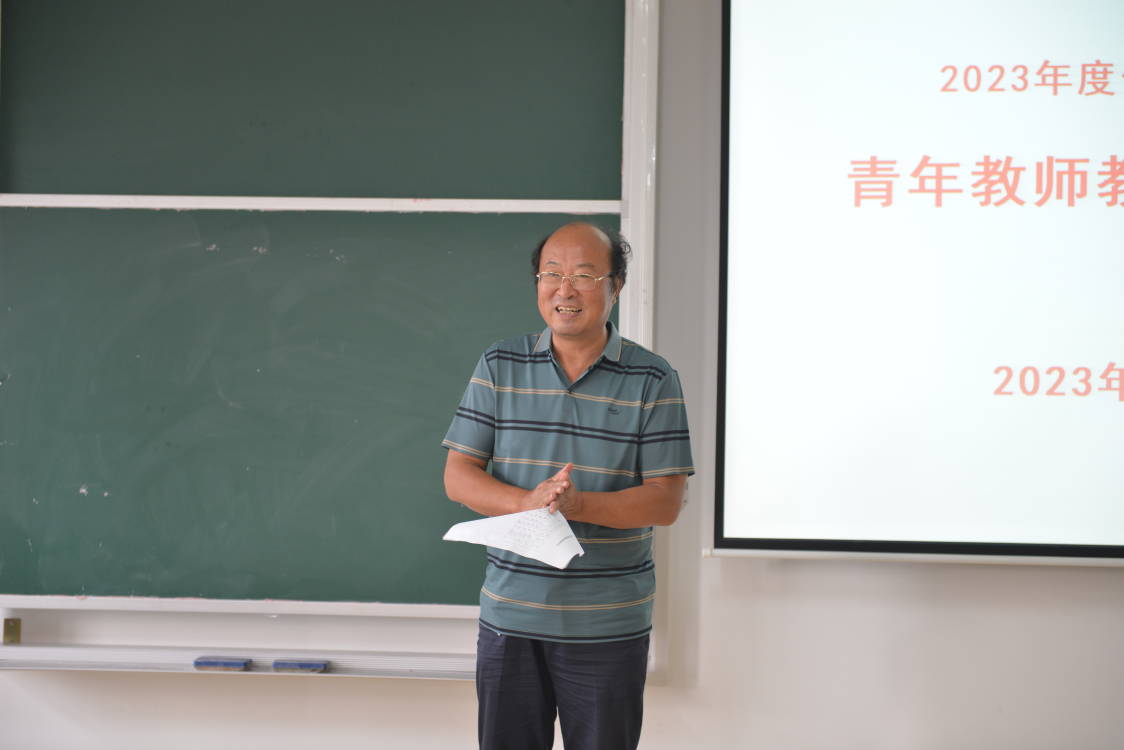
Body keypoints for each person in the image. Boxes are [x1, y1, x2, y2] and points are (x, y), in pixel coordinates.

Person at [442, 222, 694, 750]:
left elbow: (666, 501)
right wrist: (527, 502)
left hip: (607, 626)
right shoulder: (500, 364)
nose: (564, 289)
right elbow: (458, 476)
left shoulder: (653, 378)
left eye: (583, 275)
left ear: (615, 286)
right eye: (551, 274)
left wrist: (578, 504)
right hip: (510, 616)